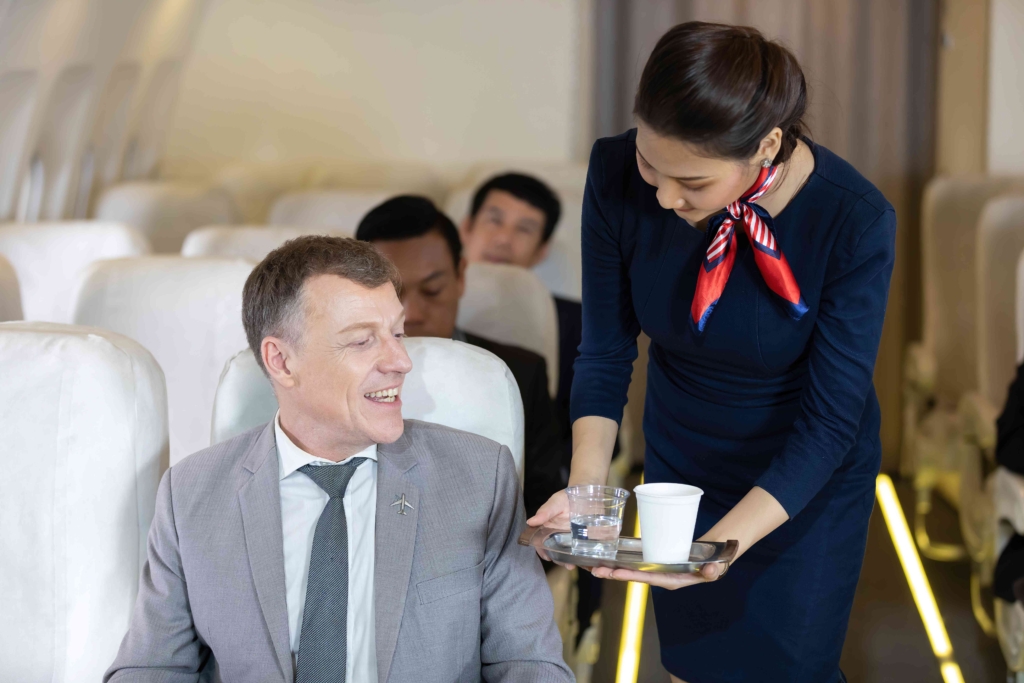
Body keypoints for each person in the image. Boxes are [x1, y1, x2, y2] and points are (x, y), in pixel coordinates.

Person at [529, 22, 896, 683]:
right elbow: (607, 349)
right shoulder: (614, 173)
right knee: (693, 667)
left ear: (767, 145)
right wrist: (587, 492)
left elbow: (832, 419)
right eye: (651, 165)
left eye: (692, 182)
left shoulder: (854, 219)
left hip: (802, 478)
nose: (665, 196)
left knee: (789, 667)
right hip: (685, 461)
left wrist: (723, 545)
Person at [105, 236, 572, 683]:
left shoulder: (479, 478)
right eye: (362, 341)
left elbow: (529, 664)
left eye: (396, 333)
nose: (401, 361)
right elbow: (152, 668)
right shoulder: (190, 494)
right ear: (282, 362)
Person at [355, 195, 565, 518]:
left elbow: (539, 508)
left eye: (432, 290)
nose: (410, 314)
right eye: (391, 293)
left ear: (461, 275)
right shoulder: (338, 374)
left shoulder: (519, 374)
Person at [460, 173, 581, 459]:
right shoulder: (421, 306)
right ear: (466, 228)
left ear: (542, 251)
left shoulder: (577, 323)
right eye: (494, 220)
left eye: (524, 229)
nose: (503, 239)